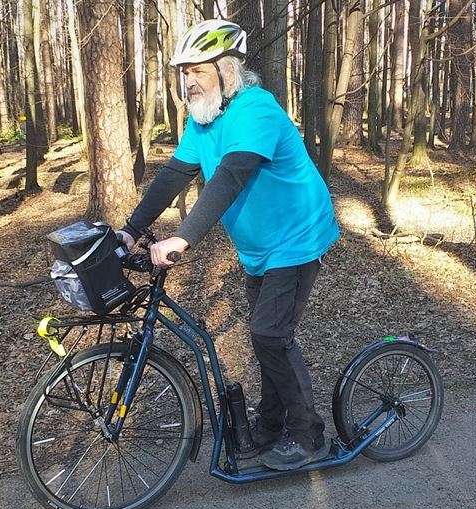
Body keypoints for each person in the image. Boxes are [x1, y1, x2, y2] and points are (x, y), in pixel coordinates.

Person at [115, 19, 340, 471]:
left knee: (269, 334)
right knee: (267, 337)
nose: (188, 81)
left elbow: (231, 175)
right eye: (183, 72)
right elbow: (175, 175)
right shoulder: (203, 121)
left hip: (298, 237)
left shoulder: (256, 110)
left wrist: (183, 236)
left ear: (227, 69)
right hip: (259, 247)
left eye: (197, 70)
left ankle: (309, 436)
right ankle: (272, 427)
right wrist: (130, 229)